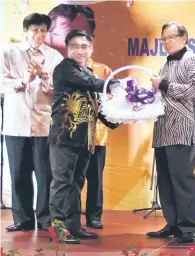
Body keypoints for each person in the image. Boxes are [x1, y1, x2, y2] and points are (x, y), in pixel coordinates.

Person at [48, 29, 121, 244]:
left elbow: (96, 104)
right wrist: (114, 85)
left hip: (85, 139)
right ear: (67, 48)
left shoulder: (88, 73)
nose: (80, 50)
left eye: (85, 46)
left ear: (92, 48)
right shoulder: (65, 69)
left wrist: (117, 119)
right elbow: (93, 85)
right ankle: (58, 229)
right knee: (62, 183)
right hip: (64, 136)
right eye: (75, 46)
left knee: (76, 184)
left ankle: (73, 227)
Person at [1, 13, 63, 232]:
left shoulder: (54, 56)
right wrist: (23, 81)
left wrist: (43, 76)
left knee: (45, 175)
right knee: (19, 174)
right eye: (35, 30)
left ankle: (46, 220)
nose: (39, 35)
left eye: (43, 30)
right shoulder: (9, 54)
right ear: (25, 31)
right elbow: (2, 84)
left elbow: (59, 90)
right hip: (16, 124)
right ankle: (22, 219)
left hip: (44, 125)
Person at [146, 22, 195, 243]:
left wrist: (164, 85)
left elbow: (193, 90)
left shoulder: (193, 62)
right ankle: (173, 223)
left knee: (182, 180)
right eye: (163, 39)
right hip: (163, 130)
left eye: (171, 37)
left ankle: (189, 227)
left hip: (182, 130)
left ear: (184, 38)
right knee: (165, 181)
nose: (167, 42)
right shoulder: (165, 65)